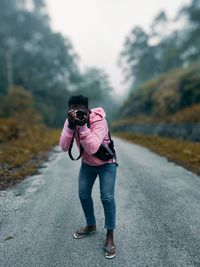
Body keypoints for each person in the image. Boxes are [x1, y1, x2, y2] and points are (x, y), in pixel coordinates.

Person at [59, 95, 118, 259]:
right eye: (73, 108)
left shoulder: (99, 120)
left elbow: (92, 148)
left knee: (107, 198)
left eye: (80, 108)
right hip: (87, 165)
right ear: (69, 109)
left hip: (107, 164)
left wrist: (83, 126)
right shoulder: (70, 120)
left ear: (87, 108)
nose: (76, 111)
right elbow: (64, 147)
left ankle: (110, 236)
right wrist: (71, 126)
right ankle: (91, 225)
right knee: (83, 194)